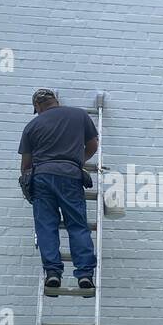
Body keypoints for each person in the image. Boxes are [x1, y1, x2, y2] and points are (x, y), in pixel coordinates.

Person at [19, 88, 98, 297]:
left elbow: (26, 165)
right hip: (70, 175)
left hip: (42, 177)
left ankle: (53, 272)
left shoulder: (32, 125)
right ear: (56, 101)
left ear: (37, 107)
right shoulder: (80, 115)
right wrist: (77, 161)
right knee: (77, 225)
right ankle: (84, 276)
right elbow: (92, 145)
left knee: (46, 227)